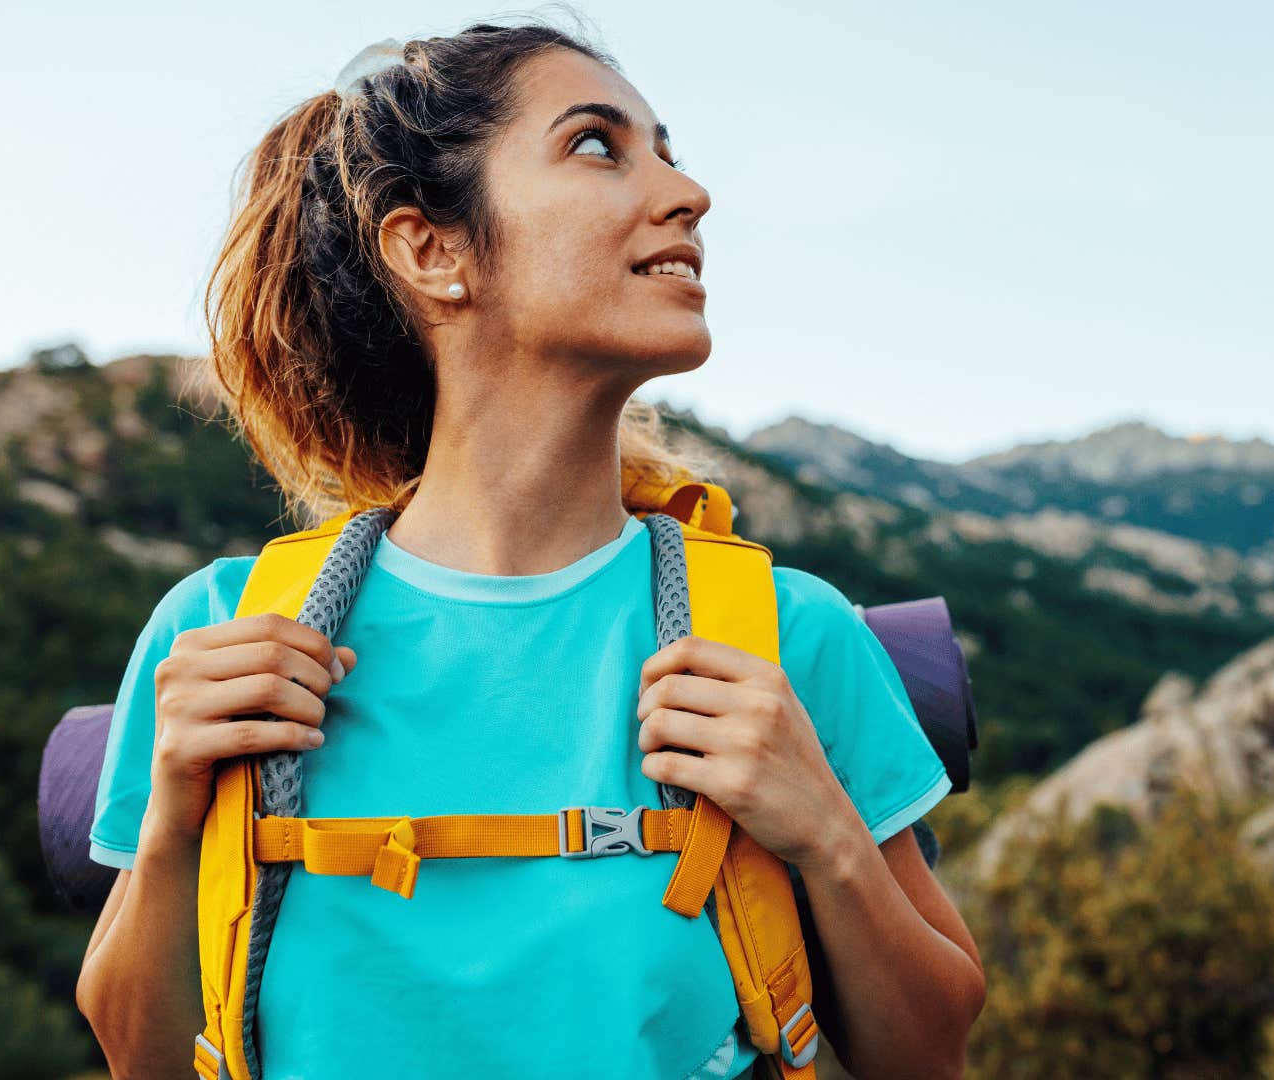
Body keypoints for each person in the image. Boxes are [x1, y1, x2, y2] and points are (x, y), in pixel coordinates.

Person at [72, 16, 985, 1079]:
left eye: (667, 151)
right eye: (599, 144)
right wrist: (178, 811)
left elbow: (927, 1057)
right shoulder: (220, 635)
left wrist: (827, 835)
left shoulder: (790, 637)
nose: (689, 194)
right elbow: (141, 1058)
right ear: (434, 250)